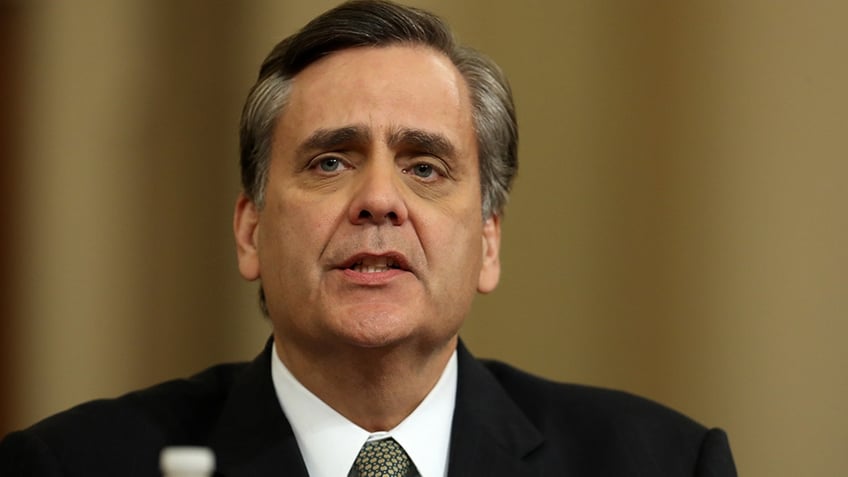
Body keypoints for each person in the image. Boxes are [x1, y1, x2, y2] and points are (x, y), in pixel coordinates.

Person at [0, 1, 737, 475]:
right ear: (251, 229)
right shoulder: (70, 465)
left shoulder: (659, 462)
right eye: (330, 161)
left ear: (487, 241)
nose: (379, 199)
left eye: (424, 165)